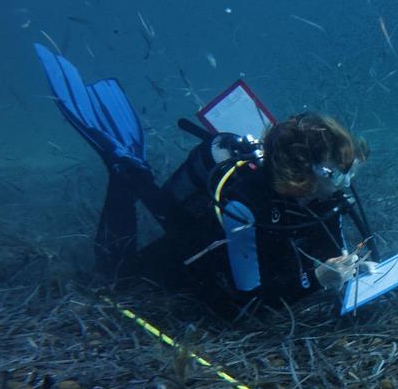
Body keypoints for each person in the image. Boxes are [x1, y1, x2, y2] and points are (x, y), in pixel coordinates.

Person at [35, 44, 376, 310]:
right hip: (201, 244)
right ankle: (124, 173)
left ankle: (135, 176)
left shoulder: (323, 194)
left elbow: (330, 247)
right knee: (117, 275)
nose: (346, 186)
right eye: (340, 175)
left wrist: (349, 268)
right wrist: (316, 279)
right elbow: (248, 300)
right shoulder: (245, 203)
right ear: (304, 176)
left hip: (263, 239)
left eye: (348, 174)